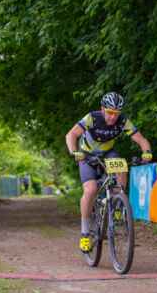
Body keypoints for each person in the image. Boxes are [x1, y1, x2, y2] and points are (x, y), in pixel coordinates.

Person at [65, 91, 152, 253]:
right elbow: (71, 134)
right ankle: (85, 233)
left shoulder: (122, 121)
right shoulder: (92, 117)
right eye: (110, 112)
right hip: (87, 154)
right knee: (90, 190)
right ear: (102, 109)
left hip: (107, 153)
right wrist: (74, 151)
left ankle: (118, 204)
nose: (113, 117)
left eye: (116, 113)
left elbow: (141, 139)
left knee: (122, 167)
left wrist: (146, 152)